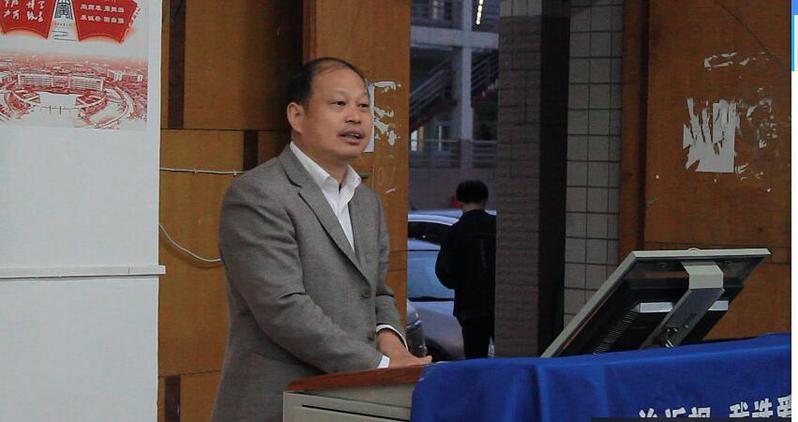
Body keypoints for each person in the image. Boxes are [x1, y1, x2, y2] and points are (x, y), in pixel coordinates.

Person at [212, 57, 430, 422]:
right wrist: (379, 365)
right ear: (297, 116)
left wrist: (395, 349)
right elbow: (283, 308)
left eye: (364, 106)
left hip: (358, 403)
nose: (356, 117)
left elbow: (376, 292)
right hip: (279, 403)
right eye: (339, 103)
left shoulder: (367, 201)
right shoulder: (258, 194)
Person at [435, 180, 496, 359]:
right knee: (507, 356)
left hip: (469, 305)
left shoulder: (455, 232)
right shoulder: (497, 226)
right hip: (498, 303)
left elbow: (445, 272)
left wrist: (461, 282)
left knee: (475, 355)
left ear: (459, 200)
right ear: (485, 199)